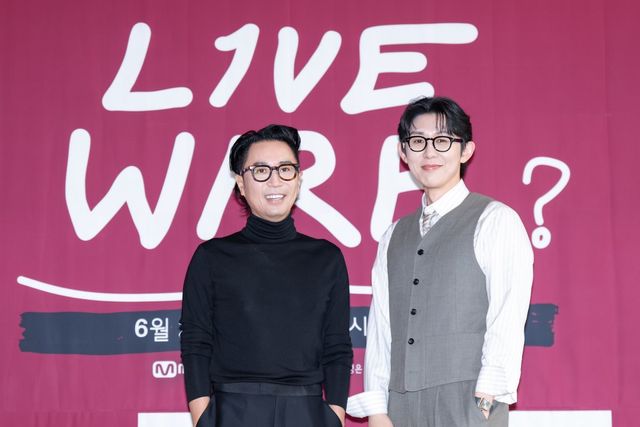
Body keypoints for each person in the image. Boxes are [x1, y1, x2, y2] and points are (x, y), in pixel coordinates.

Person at [346, 97, 534, 427]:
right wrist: (377, 409)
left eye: (442, 140)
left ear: (466, 150)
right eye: (418, 141)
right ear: (404, 152)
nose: (429, 152)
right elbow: (381, 328)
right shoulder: (393, 235)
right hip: (400, 405)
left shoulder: (495, 219)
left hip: (469, 401)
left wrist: (486, 402)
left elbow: (507, 315)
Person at [180, 124, 352, 427]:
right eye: (261, 171)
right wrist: (202, 416)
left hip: (307, 411)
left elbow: (337, 345)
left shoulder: (327, 258)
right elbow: (196, 341)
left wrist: (335, 414)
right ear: (241, 183)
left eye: (285, 169)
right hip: (232, 410)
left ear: (298, 179)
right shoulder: (212, 257)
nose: (275, 180)